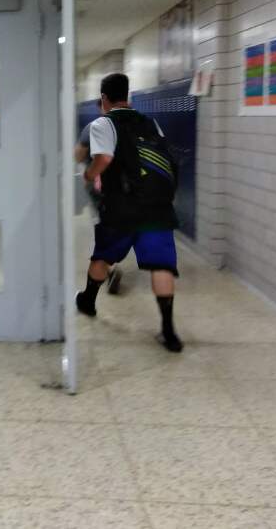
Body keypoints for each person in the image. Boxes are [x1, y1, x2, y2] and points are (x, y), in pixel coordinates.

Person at [76, 73, 184, 353]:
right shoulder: (150, 123)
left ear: (103, 99)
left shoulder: (103, 123)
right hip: (157, 206)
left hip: (120, 207)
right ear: (129, 97)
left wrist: (89, 175)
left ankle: (88, 300)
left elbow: (104, 159)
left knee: (103, 255)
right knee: (161, 265)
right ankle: (169, 331)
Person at [74, 119, 123, 295]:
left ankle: (108, 269)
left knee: (101, 226)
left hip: (100, 187)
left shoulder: (93, 128)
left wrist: (87, 172)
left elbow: (79, 155)